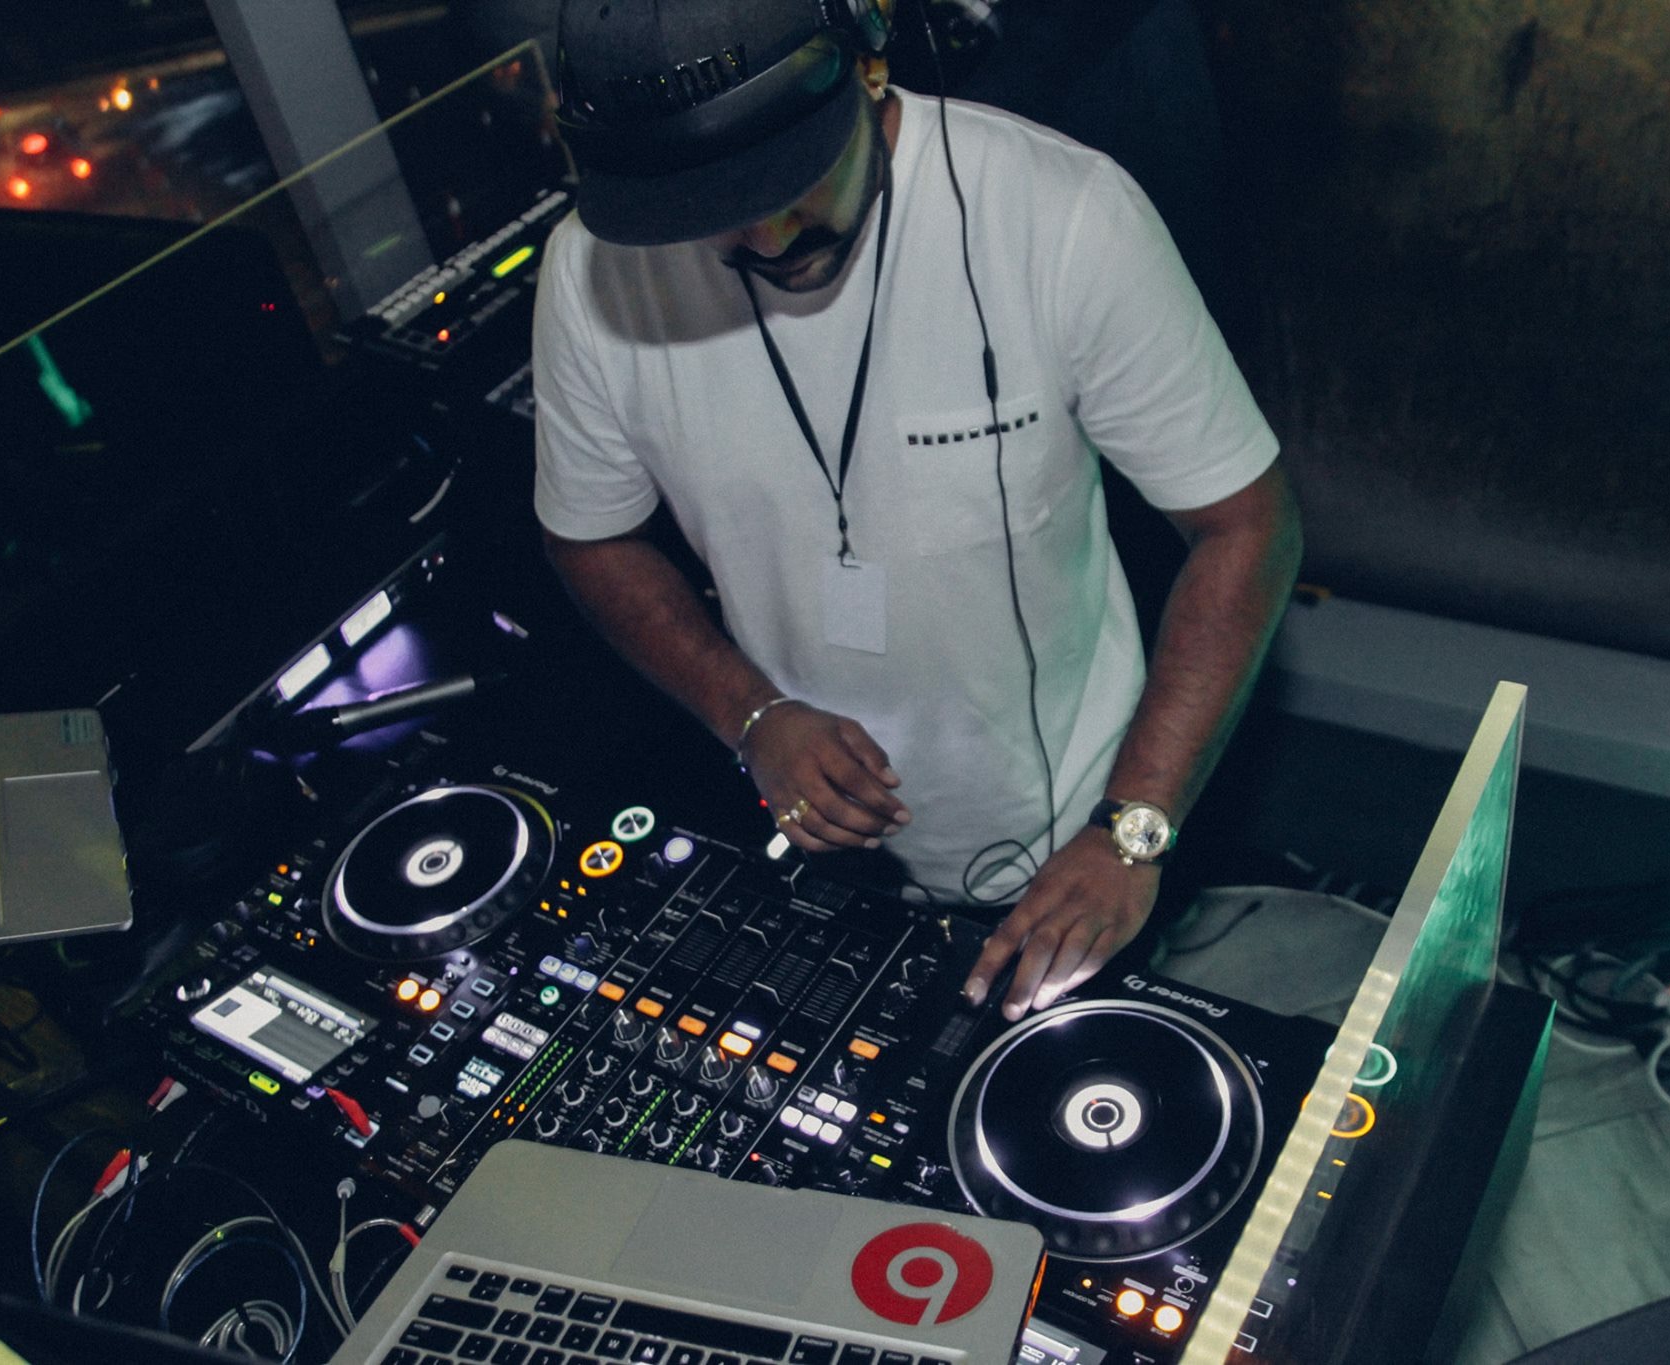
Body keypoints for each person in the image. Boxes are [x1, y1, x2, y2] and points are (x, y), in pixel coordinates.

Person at [532, 0, 1301, 1021]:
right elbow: (589, 535)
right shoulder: (589, 275)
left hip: (1076, 833)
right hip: (791, 832)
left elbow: (1247, 526)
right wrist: (749, 713)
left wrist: (1132, 830)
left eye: (791, 181)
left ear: (869, 60)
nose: (766, 237)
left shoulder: (1064, 216)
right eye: (713, 208)